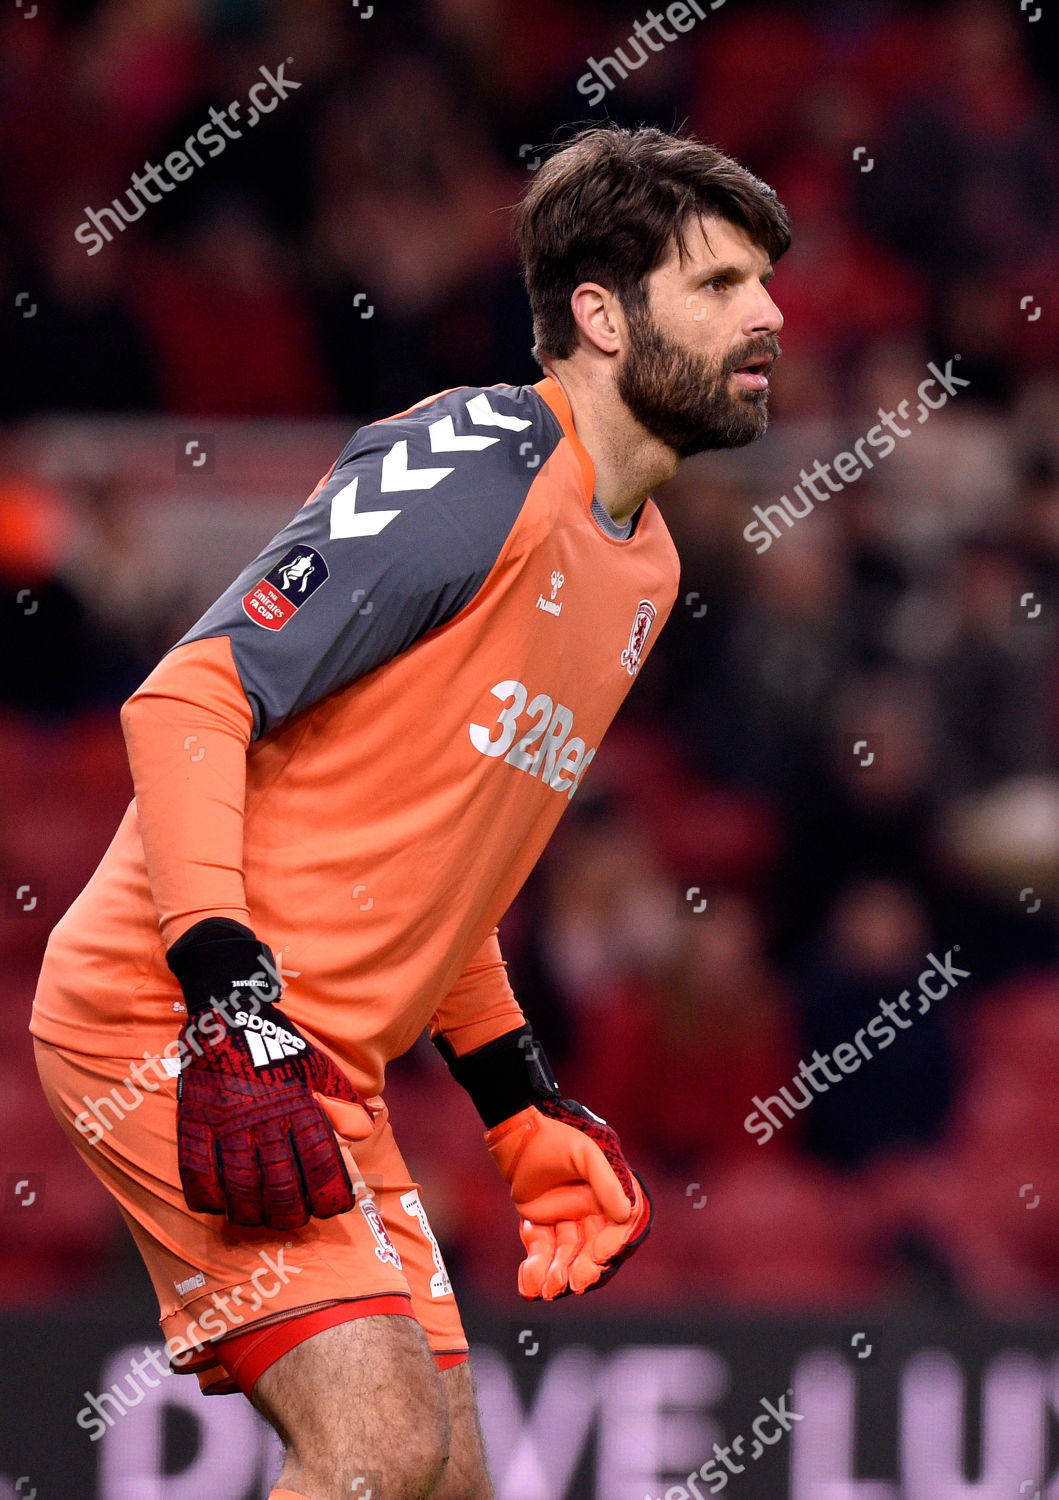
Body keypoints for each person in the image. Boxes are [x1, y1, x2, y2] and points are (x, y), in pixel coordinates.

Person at [30, 123, 788, 1500]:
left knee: (444, 1478)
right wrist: (225, 999)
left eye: (765, 283)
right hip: (181, 1020)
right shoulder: (475, 459)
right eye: (723, 284)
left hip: (326, 1064)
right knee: (375, 1448)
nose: (771, 315)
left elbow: (448, 871)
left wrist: (513, 1097)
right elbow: (186, 699)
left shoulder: (648, 565)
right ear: (604, 318)